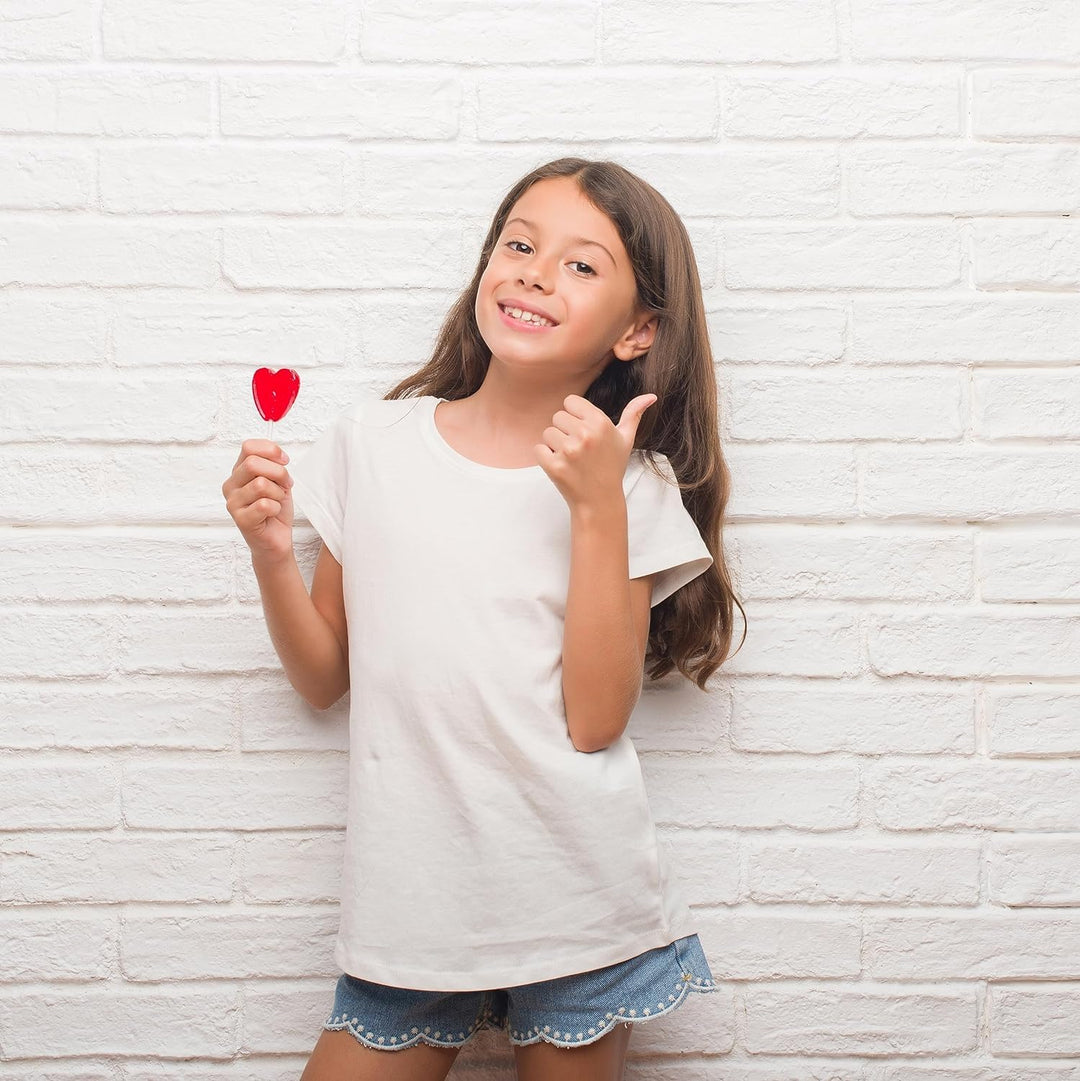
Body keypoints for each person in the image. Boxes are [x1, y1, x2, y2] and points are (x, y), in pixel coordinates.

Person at [222, 156, 746, 1081]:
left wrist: (596, 506)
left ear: (637, 330)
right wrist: (270, 551)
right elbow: (324, 678)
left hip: (578, 898)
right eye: (519, 245)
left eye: (581, 264)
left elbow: (596, 718)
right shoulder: (373, 444)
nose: (536, 274)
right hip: (411, 906)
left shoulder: (630, 484)